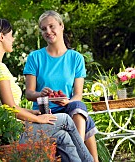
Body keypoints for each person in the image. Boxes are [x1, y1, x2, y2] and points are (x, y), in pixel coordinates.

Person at [0, 18, 94, 162]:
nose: (13, 39)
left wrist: (32, 112)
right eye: (11, 35)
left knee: (63, 136)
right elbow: (10, 107)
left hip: (3, 129)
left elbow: (3, 107)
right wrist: (38, 118)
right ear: (2, 37)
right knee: (66, 120)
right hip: (12, 132)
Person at [23, 10, 99, 162]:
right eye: (44, 29)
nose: (48, 31)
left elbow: (78, 94)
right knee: (87, 120)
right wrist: (40, 94)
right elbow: (29, 93)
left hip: (68, 108)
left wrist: (67, 102)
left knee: (77, 105)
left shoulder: (76, 58)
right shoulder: (35, 57)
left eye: (51, 26)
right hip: (45, 112)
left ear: (61, 26)